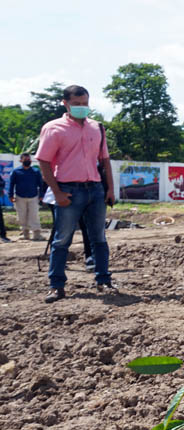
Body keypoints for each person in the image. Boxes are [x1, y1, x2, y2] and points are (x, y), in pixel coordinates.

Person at [35, 84, 117, 302]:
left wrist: (110, 188)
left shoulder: (97, 128)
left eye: (85, 104)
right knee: (62, 240)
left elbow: (105, 160)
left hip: (95, 189)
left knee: (99, 238)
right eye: (77, 104)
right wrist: (57, 193)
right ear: (65, 103)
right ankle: (56, 286)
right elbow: (43, 162)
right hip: (68, 190)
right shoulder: (53, 128)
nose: (82, 108)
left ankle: (103, 280)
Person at [9, 153, 46, 240]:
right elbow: (11, 184)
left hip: (33, 196)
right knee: (22, 216)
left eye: (29, 159)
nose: (27, 161)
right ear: (21, 160)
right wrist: (10, 195)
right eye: (25, 160)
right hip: (19, 197)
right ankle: (25, 234)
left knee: (34, 215)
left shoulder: (36, 171)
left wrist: (41, 195)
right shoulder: (16, 171)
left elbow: (41, 185)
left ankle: (37, 234)